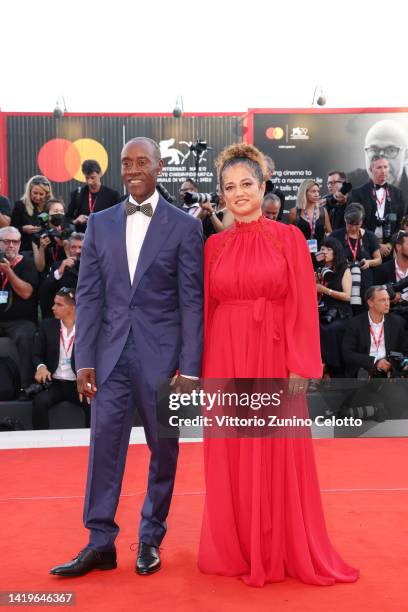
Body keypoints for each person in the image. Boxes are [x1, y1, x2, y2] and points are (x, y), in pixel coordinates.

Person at [198, 143, 358, 587]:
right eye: (229, 187)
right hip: (227, 356)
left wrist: (301, 363)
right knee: (233, 451)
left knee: (274, 448)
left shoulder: (287, 237)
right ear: (222, 193)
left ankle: (279, 546)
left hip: (272, 353)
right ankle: (241, 547)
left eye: (247, 184)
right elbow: (208, 311)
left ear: (264, 186)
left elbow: (304, 304)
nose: (238, 193)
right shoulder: (213, 246)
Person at [50, 137, 203, 578]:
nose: (133, 169)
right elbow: (90, 295)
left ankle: (150, 537)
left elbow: (191, 301)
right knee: (103, 449)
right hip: (110, 357)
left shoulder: (185, 226)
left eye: (142, 162)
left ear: (158, 167)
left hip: (163, 360)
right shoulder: (100, 223)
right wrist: (85, 361)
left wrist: (190, 369)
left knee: (164, 450)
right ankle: (100, 542)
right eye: (126, 163)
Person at [341, 286, 408, 420]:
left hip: (388, 374)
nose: (387, 303)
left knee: (400, 398)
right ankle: (374, 411)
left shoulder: (398, 323)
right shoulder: (354, 324)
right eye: (382, 300)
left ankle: (375, 411)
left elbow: (404, 351)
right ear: (370, 303)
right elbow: (347, 354)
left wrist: (395, 367)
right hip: (364, 373)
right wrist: (375, 362)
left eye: (388, 299)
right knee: (356, 407)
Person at [32, 288, 89, 429]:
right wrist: (41, 367)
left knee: (93, 402)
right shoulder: (47, 326)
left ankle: (92, 443)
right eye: (54, 303)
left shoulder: (87, 328)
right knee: (39, 402)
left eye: (59, 304)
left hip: (78, 383)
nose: (53, 307)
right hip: (55, 383)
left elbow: (97, 357)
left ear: (72, 308)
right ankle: (42, 441)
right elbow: (35, 354)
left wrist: (88, 382)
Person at [0, 226, 39, 389]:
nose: (11, 245)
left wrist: (8, 271)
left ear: (20, 244)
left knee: (26, 336)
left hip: (20, 321)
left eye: (15, 242)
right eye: (6, 242)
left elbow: (26, 293)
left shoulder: (27, 264)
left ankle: (26, 385)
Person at [351, 156, 406, 260]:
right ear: (371, 169)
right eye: (379, 167)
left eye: (385, 167)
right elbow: (357, 222)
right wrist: (376, 244)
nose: (383, 171)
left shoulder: (397, 193)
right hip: (366, 245)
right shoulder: (358, 193)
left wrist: (390, 244)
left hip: (389, 248)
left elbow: (399, 223)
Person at [330, 204, 382, 313]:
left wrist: (368, 262)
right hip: (343, 282)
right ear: (345, 220)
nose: (353, 228)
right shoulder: (335, 235)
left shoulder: (369, 236)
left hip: (364, 283)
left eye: (357, 225)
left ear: (362, 221)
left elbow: (378, 260)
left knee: (363, 314)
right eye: (350, 225)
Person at [316, 237, 352, 376]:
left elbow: (347, 296)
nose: (325, 252)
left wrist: (325, 290)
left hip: (341, 311)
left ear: (336, 252)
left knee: (330, 329)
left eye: (329, 249)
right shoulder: (321, 269)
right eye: (323, 248)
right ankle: (320, 366)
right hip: (323, 310)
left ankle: (327, 368)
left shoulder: (344, 269)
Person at [348, 119, 408, 202]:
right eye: (373, 150)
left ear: (406, 155)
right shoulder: (350, 183)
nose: (381, 161)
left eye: (391, 150)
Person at [38, 232, 84, 318]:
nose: (77, 251)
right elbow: (43, 292)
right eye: (73, 247)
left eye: (81, 247)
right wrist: (59, 271)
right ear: (68, 249)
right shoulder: (58, 265)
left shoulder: (95, 267)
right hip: (64, 315)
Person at [67, 160, 120, 233]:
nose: (89, 182)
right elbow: (67, 218)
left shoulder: (112, 195)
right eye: (87, 178)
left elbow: (118, 220)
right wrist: (75, 221)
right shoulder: (77, 194)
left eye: (92, 178)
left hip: (104, 238)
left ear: (100, 174)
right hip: (83, 238)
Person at [288, 179, 332, 264]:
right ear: (304, 193)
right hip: (300, 256)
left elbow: (330, 233)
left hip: (320, 256)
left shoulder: (323, 211)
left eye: (318, 191)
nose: (317, 194)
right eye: (313, 191)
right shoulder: (294, 212)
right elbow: (289, 238)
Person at [11, 175, 54, 252]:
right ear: (29, 191)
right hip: (26, 249)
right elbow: (12, 228)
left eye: (41, 194)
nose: (37, 197)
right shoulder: (20, 205)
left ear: (47, 194)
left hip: (45, 250)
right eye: (35, 193)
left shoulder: (50, 207)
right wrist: (23, 229)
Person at [31, 199, 74, 274]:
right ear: (47, 215)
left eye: (61, 211)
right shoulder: (38, 235)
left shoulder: (69, 232)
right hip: (47, 276)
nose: (59, 214)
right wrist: (42, 247)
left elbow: (74, 264)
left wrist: (65, 246)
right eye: (55, 211)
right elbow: (40, 268)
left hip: (66, 273)